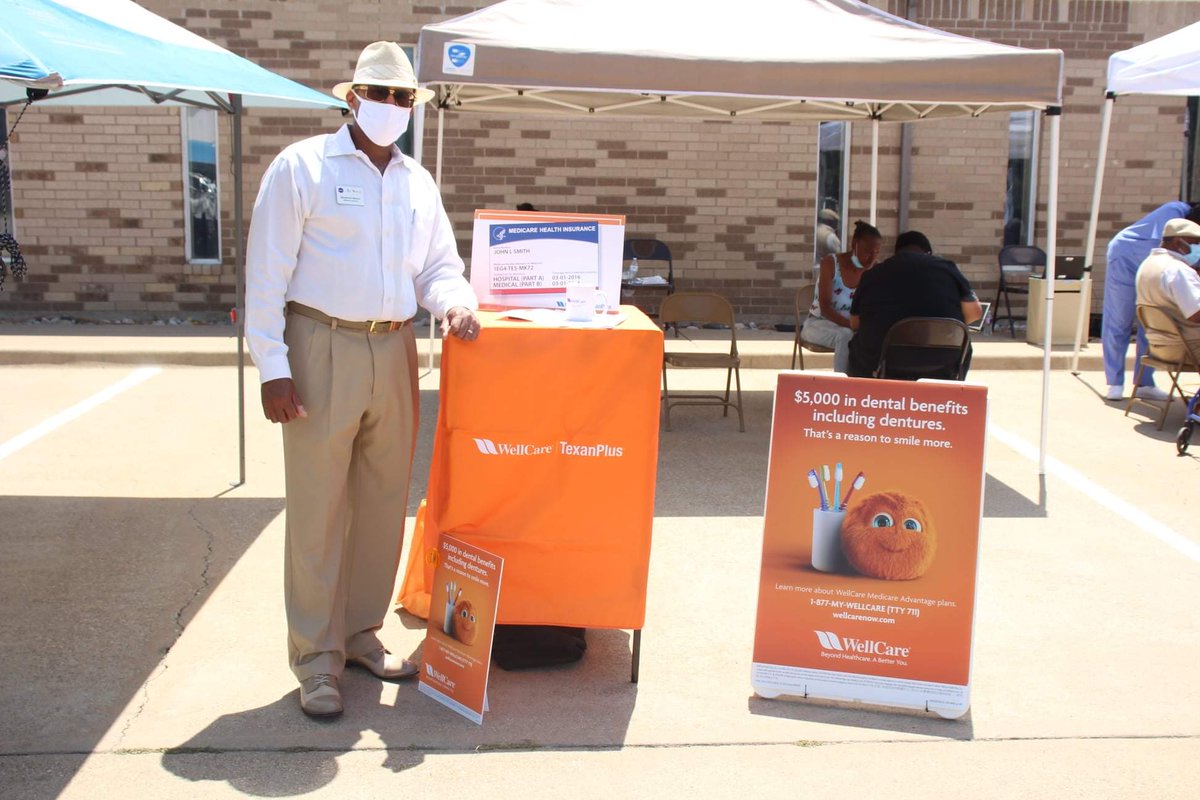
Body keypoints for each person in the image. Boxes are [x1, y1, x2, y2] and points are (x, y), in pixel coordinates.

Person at [245, 41, 480, 718]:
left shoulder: (416, 182)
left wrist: (455, 303)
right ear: (351, 99)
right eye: (379, 95)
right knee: (319, 509)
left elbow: (438, 264)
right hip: (320, 343)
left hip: (394, 348)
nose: (391, 107)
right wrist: (273, 366)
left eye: (402, 97)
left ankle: (358, 635)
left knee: (381, 505)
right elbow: (267, 274)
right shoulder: (302, 168)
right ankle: (315, 660)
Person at [846, 231, 983, 379]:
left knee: (855, 344)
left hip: (883, 363)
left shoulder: (873, 274)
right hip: (942, 361)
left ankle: (853, 396)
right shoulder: (948, 268)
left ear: (896, 253)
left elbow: (855, 323)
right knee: (965, 344)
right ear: (928, 253)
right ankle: (952, 394)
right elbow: (975, 312)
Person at [1102, 201, 1200, 401]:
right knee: (1119, 320)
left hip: (1152, 264)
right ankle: (1114, 382)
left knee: (1153, 322)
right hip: (1126, 257)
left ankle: (1144, 383)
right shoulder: (1174, 212)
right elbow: (1164, 246)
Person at [800, 219, 882, 373]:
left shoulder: (875, 270)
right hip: (819, 325)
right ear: (855, 244)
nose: (872, 258)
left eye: (876, 253)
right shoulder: (831, 263)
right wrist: (853, 326)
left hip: (855, 329)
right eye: (867, 252)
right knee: (846, 336)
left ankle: (869, 388)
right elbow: (825, 308)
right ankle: (841, 387)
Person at [1134, 217, 1200, 368]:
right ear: (1178, 242)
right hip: (1187, 348)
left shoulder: (1148, 264)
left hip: (1159, 347)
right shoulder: (1177, 270)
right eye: (1195, 243)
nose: (1197, 248)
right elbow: (1196, 314)